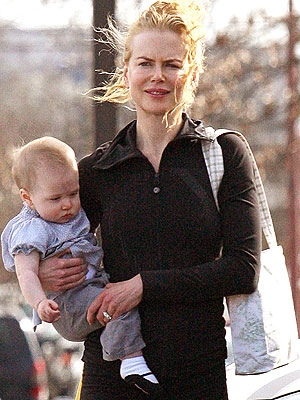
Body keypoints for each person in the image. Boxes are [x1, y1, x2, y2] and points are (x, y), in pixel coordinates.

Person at [38, 0, 261, 399]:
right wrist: (44, 272)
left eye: (171, 65)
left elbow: (243, 269)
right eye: (145, 63)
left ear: (190, 74)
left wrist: (142, 286)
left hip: (198, 374)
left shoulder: (225, 154)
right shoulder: (96, 170)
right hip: (111, 375)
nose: (158, 76)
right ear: (126, 72)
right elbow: (43, 236)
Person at [1, 136, 161, 395]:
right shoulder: (32, 229)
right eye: (55, 198)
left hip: (87, 291)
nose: (67, 204)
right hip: (67, 304)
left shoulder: (66, 216)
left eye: (73, 193)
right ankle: (130, 360)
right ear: (28, 198)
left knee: (117, 300)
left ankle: (125, 355)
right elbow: (26, 273)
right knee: (117, 304)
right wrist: (40, 302)